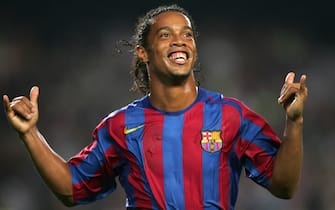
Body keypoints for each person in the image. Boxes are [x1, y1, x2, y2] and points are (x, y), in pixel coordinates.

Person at [3, 4, 308, 210]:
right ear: (143, 53)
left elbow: (284, 186)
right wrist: (30, 134)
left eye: (187, 34)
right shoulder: (121, 125)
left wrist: (294, 123)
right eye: (166, 35)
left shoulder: (231, 116)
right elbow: (72, 188)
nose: (180, 41)